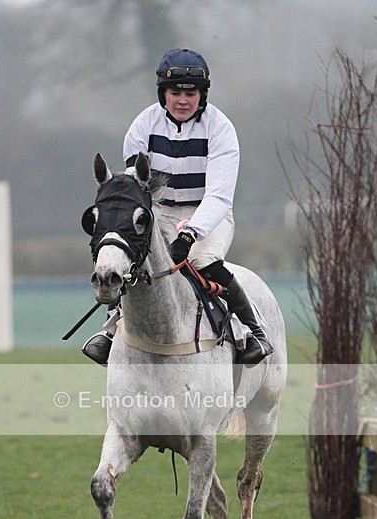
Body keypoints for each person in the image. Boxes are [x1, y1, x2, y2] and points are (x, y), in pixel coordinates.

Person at [83, 48, 273, 366]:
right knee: (133, 258)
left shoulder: (221, 129)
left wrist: (188, 236)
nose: (182, 100)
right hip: (160, 211)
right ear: (163, 94)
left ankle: (252, 331)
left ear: (202, 95)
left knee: (203, 261)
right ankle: (111, 331)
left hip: (208, 211)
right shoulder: (142, 126)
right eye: (175, 93)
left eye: (190, 93)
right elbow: (136, 184)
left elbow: (219, 195)